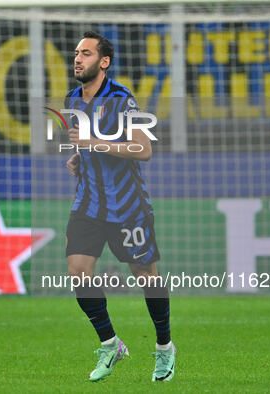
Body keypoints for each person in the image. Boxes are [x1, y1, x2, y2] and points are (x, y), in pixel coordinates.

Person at [64, 31, 175, 382]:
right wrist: (78, 159)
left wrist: (92, 144)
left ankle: (164, 348)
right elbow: (85, 147)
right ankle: (111, 344)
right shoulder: (72, 98)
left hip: (127, 207)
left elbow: (143, 149)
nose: (77, 58)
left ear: (104, 62)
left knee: (146, 278)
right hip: (87, 203)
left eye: (85, 53)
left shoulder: (122, 98)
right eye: (76, 53)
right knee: (78, 271)